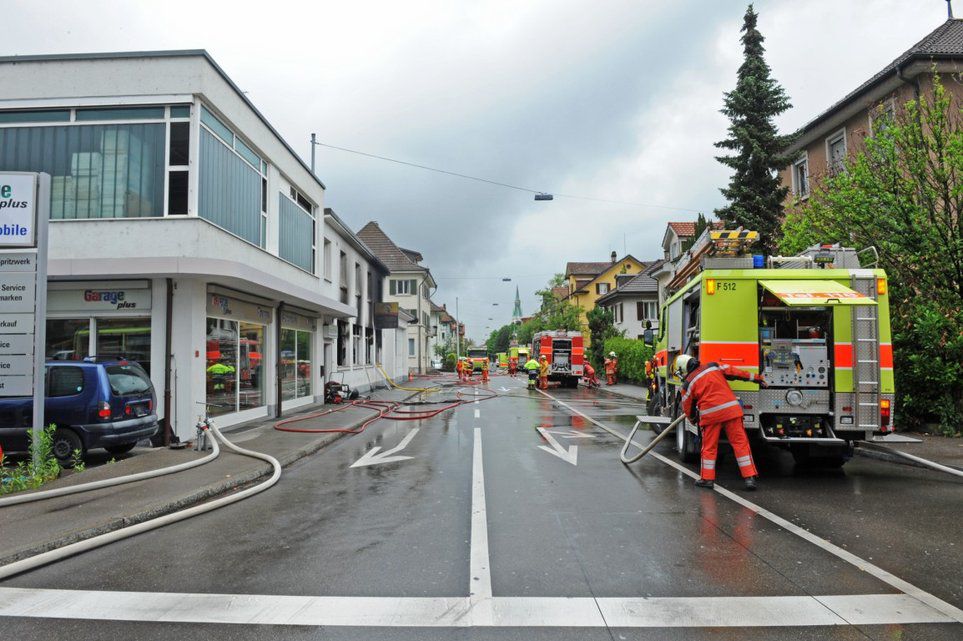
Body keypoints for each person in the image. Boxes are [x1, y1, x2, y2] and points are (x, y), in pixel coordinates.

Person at [675, 355, 766, 491]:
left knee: (709, 448)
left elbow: (687, 407)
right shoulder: (713, 366)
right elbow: (735, 372)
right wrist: (757, 379)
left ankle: (707, 479)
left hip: (711, 416)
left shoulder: (688, 384)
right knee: (741, 444)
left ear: (683, 369)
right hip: (731, 411)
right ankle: (749, 478)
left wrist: (693, 420)